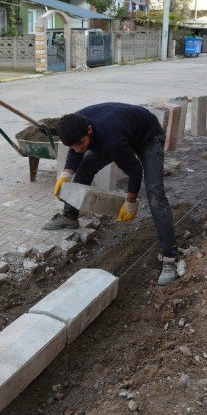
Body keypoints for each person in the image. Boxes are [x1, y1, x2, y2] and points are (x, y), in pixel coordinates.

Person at [41, 102, 178, 285]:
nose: (78, 149)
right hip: (120, 131)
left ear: (89, 130)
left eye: (80, 144)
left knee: (155, 194)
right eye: (72, 146)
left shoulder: (111, 139)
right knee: (85, 167)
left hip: (148, 136)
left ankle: (170, 258)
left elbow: (135, 170)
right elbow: (76, 150)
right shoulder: (75, 124)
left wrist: (131, 201)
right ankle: (70, 216)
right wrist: (66, 174)